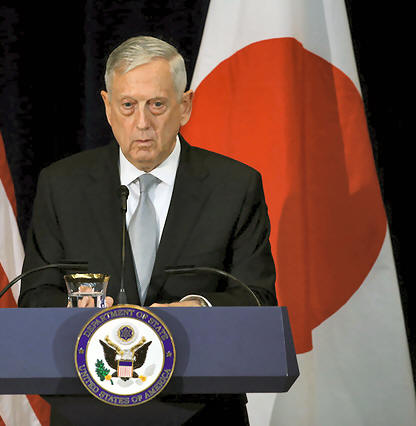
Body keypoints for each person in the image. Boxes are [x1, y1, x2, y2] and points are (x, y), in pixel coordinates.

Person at [18, 35, 276, 424]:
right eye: (128, 105)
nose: (142, 123)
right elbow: (36, 296)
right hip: (90, 411)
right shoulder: (62, 185)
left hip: (201, 412)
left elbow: (258, 299)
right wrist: (73, 311)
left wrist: (200, 308)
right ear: (107, 107)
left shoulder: (234, 187)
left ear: (184, 106)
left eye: (157, 105)